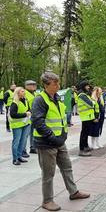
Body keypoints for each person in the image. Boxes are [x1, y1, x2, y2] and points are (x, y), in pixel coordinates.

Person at [32, 72, 90, 211]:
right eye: (55, 83)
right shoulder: (40, 100)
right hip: (46, 143)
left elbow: (61, 119)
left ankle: (73, 192)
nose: (58, 85)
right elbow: (38, 122)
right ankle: (47, 201)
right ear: (46, 85)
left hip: (59, 141)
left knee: (67, 167)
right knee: (48, 174)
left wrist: (63, 135)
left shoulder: (57, 97)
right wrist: (53, 138)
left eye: (58, 83)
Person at [9, 87, 31, 165]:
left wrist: (29, 112)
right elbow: (13, 114)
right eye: (22, 91)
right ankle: (15, 159)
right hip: (17, 125)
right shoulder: (14, 103)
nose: (24, 92)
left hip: (26, 124)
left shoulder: (26, 100)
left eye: (24, 91)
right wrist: (25, 114)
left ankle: (19, 156)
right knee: (16, 142)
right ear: (18, 93)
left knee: (22, 142)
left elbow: (29, 109)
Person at [77, 81, 95, 156]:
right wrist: (94, 102)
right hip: (85, 117)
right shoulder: (82, 95)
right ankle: (81, 150)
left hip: (88, 116)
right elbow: (91, 104)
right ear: (84, 86)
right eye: (87, 86)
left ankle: (86, 146)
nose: (88, 87)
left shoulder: (85, 95)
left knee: (86, 133)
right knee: (84, 133)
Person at [24, 80, 38, 155]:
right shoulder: (24, 93)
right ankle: (23, 150)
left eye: (35, 85)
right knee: (25, 134)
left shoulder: (35, 93)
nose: (34, 86)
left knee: (33, 132)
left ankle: (33, 147)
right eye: (32, 85)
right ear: (26, 86)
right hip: (27, 116)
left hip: (35, 115)